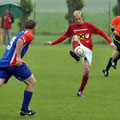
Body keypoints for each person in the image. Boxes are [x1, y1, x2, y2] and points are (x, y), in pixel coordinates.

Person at [45, 10, 116, 97]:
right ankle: (76, 53)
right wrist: (52, 43)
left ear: (82, 17)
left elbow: (101, 32)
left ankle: (80, 91)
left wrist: (110, 42)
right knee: (75, 36)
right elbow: (64, 36)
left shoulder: (88, 26)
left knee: (87, 71)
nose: (78, 20)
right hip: (78, 46)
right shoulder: (72, 27)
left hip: (88, 50)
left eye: (80, 18)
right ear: (74, 19)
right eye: (76, 19)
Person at [0, 20, 37, 116]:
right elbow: (21, 41)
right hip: (13, 64)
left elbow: (13, 47)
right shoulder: (29, 35)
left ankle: (25, 109)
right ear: (34, 28)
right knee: (31, 82)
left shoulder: (19, 33)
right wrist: (18, 57)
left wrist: (20, 59)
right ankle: (25, 109)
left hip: (4, 62)